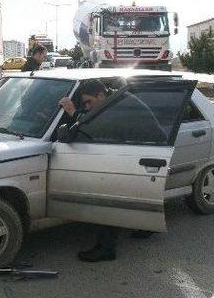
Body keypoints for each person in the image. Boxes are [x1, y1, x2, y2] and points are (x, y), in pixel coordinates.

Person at [58, 79, 161, 262]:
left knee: (104, 197)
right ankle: (147, 225)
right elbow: (93, 116)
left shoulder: (118, 104)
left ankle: (106, 248)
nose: (88, 106)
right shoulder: (115, 97)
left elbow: (95, 123)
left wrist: (73, 112)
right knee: (131, 194)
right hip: (143, 150)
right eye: (85, 104)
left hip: (147, 152)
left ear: (101, 95)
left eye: (89, 101)